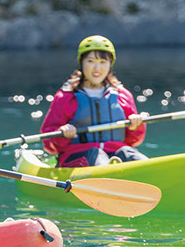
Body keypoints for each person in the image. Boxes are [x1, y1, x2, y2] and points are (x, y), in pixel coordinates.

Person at [40, 35, 146, 168]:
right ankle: (108, 177)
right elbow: (49, 144)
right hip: (76, 157)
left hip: (116, 152)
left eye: (103, 62)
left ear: (110, 65)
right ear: (82, 63)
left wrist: (136, 126)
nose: (97, 68)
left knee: (130, 154)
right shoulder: (65, 97)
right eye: (91, 61)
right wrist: (62, 134)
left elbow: (133, 140)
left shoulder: (123, 96)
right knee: (97, 155)